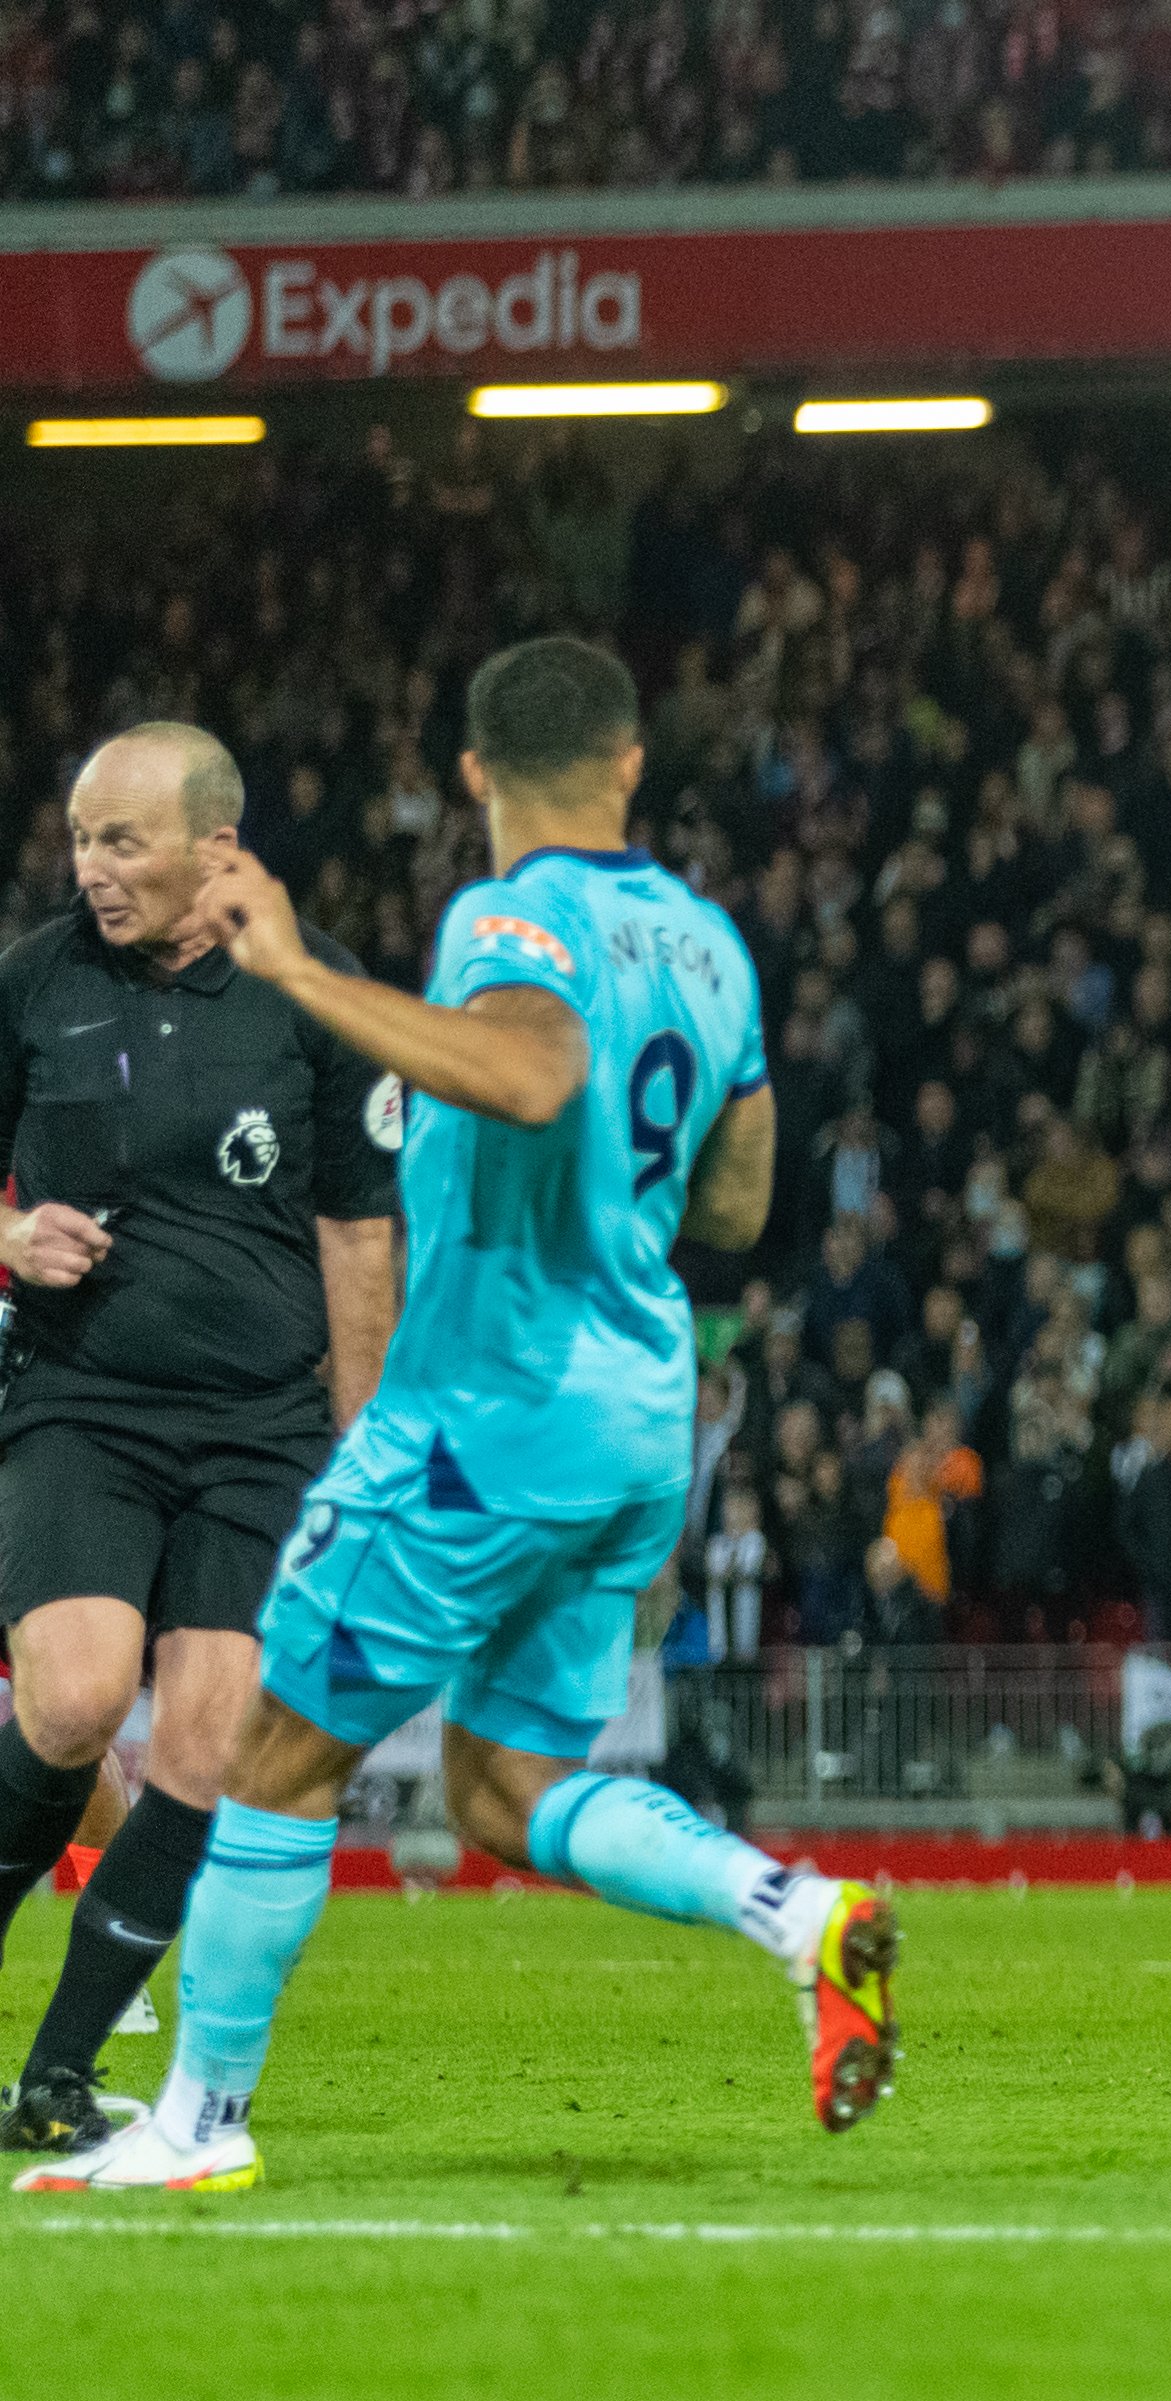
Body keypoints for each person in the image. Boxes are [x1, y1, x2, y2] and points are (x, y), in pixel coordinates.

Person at [17, 637, 899, 2197]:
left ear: (479, 775)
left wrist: (300, 972)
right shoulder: (704, 941)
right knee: (503, 1791)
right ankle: (798, 1913)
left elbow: (540, 1071)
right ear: (632, 761)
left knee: (268, 1755)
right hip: (640, 1412)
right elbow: (745, 1198)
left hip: (492, 1408)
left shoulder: (512, 914)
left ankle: (192, 2124)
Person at [0, 724, 403, 2153]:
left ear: (217, 847)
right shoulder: (34, 984)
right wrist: (5, 1236)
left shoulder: (319, 993)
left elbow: (361, 1235)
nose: (89, 869)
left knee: (213, 1743)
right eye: (80, 837)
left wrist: (365, 1453)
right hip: (80, 1403)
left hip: (262, 1427)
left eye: (123, 842)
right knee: (69, 1702)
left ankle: (52, 2076)